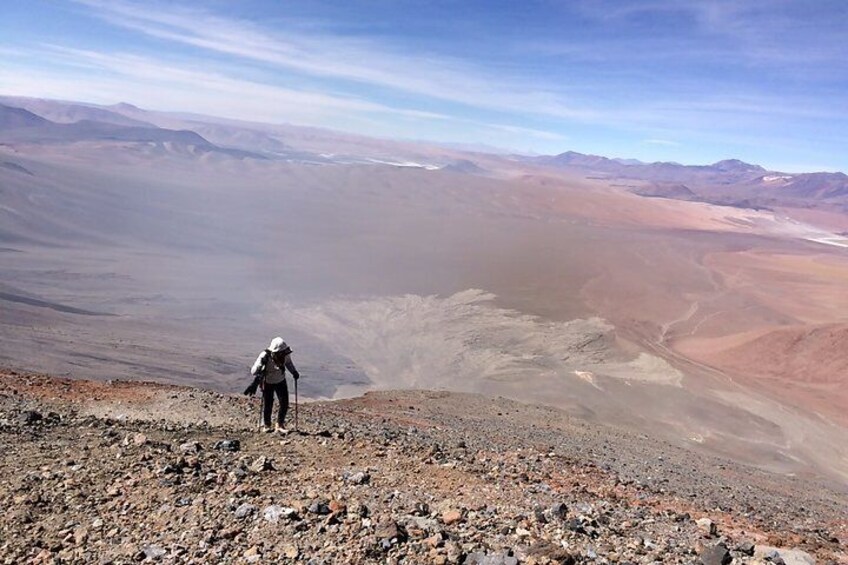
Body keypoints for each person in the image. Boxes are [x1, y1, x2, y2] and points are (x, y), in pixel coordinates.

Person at [245, 337, 300, 433]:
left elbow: (289, 363)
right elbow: (253, 371)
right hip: (268, 382)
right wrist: (261, 365)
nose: (283, 355)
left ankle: (280, 424)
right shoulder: (265, 356)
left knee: (284, 403)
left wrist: (294, 372)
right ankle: (267, 425)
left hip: (280, 381)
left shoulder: (285, 355)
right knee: (268, 404)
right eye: (281, 353)